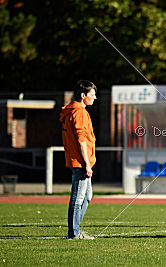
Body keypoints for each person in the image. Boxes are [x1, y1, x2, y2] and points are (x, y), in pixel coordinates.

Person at [60, 80, 97, 240]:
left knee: (87, 196)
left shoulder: (71, 111)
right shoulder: (80, 112)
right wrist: (87, 165)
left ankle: (75, 229)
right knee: (78, 197)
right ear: (83, 96)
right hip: (81, 162)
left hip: (79, 160)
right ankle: (74, 232)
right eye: (92, 95)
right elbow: (81, 140)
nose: (95, 98)